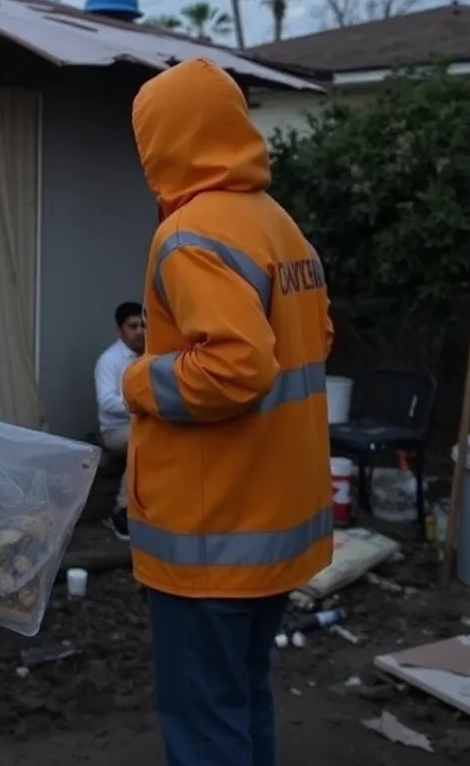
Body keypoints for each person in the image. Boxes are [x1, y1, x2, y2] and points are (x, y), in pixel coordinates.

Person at [121, 58, 333, 766]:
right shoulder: (278, 225)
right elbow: (317, 339)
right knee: (241, 701)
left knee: (206, 722)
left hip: (210, 535)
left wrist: (140, 382)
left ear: (166, 139)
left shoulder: (189, 236)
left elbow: (237, 367)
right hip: (271, 526)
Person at [93, 300, 146, 540]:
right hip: (115, 431)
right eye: (132, 326)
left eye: (143, 325)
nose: (139, 331)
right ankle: (121, 510)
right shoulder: (109, 360)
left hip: (146, 423)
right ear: (120, 330)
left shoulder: (152, 355)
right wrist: (142, 405)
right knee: (146, 442)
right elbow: (107, 402)